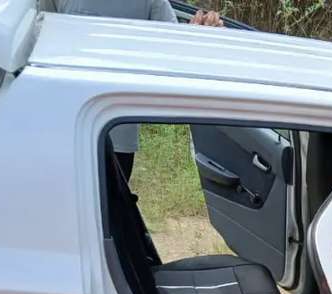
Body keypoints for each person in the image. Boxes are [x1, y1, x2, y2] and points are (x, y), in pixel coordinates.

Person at [38, 1, 223, 178]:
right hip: (66, 129)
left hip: (117, 132)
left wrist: (200, 36)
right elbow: (41, 39)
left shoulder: (151, 3)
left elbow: (175, 50)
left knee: (110, 207)